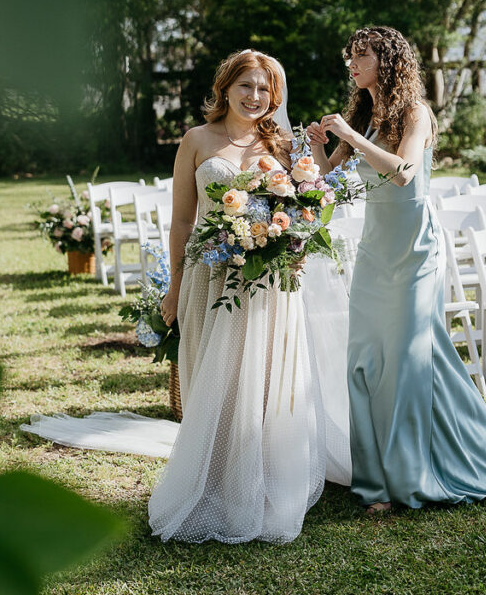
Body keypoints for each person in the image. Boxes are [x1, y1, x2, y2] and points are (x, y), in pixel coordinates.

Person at [307, 26, 486, 514]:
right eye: (351, 55)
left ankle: (412, 477)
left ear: (386, 60)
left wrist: (349, 136)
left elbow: (404, 171)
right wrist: (318, 146)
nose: (352, 62)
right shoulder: (364, 115)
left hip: (414, 251)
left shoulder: (416, 113)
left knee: (409, 362)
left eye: (362, 55)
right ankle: (374, 484)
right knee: (365, 359)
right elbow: (328, 176)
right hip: (374, 251)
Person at [149, 49, 350, 543]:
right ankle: (211, 484)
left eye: (265, 90)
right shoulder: (196, 141)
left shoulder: (282, 145)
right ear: (225, 88)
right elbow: (181, 221)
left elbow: (315, 199)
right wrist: (173, 288)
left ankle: (260, 486)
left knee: (262, 382)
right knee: (211, 378)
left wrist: (298, 235)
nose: (256, 97)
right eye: (246, 86)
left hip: (268, 282)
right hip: (209, 278)